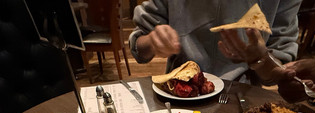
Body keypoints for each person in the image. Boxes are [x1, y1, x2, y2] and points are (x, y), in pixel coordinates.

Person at [129, 0, 302, 84]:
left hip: (243, 96)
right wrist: (152, 42)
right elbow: (139, 47)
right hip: (179, 89)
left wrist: (260, 60)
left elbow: (279, 71)